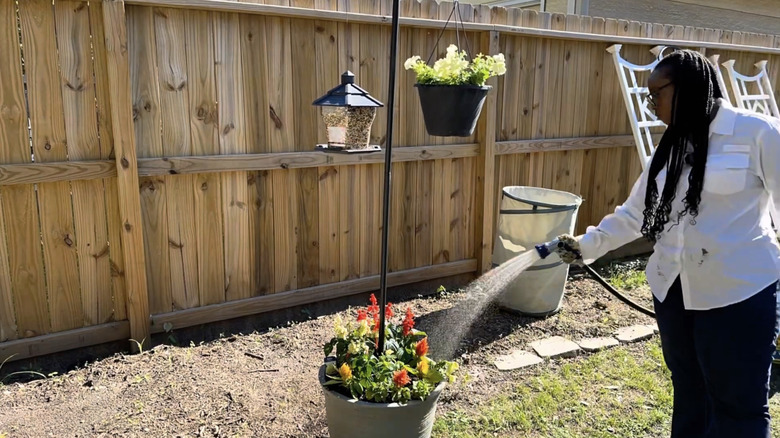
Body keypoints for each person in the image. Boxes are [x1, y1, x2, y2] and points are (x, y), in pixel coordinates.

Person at [550, 49, 780, 438]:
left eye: (657, 93)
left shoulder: (759, 133)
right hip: (674, 292)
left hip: (738, 296)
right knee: (689, 394)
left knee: (737, 408)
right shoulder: (671, 145)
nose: (651, 103)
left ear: (688, 88)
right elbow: (634, 212)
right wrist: (586, 245)